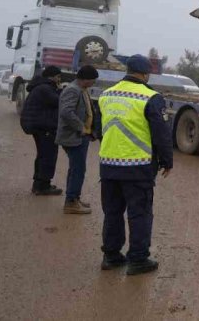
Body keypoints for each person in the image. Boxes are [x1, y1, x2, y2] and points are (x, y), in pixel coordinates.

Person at [98, 54, 173, 275]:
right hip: (137, 166)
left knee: (112, 213)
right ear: (146, 74)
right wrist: (167, 161)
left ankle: (111, 256)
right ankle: (139, 259)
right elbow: (161, 134)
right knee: (139, 213)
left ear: (127, 69)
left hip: (109, 165)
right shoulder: (151, 97)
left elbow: (99, 129)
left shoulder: (106, 94)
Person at [57, 65, 99, 214]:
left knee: (76, 168)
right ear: (85, 79)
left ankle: (74, 198)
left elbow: (88, 112)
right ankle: (71, 202)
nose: (94, 83)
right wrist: (81, 128)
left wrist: (91, 130)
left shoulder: (82, 90)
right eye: (92, 80)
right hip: (73, 136)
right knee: (78, 169)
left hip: (82, 136)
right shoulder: (72, 90)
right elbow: (66, 112)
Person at [21, 65, 63, 195]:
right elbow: (58, 101)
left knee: (42, 155)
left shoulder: (41, 87)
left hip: (39, 126)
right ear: (53, 76)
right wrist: (61, 91)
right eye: (58, 77)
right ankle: (42, 186)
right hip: (44, 127)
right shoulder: (45, 88)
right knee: (48, 156)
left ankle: (40, 184)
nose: (59, 80)